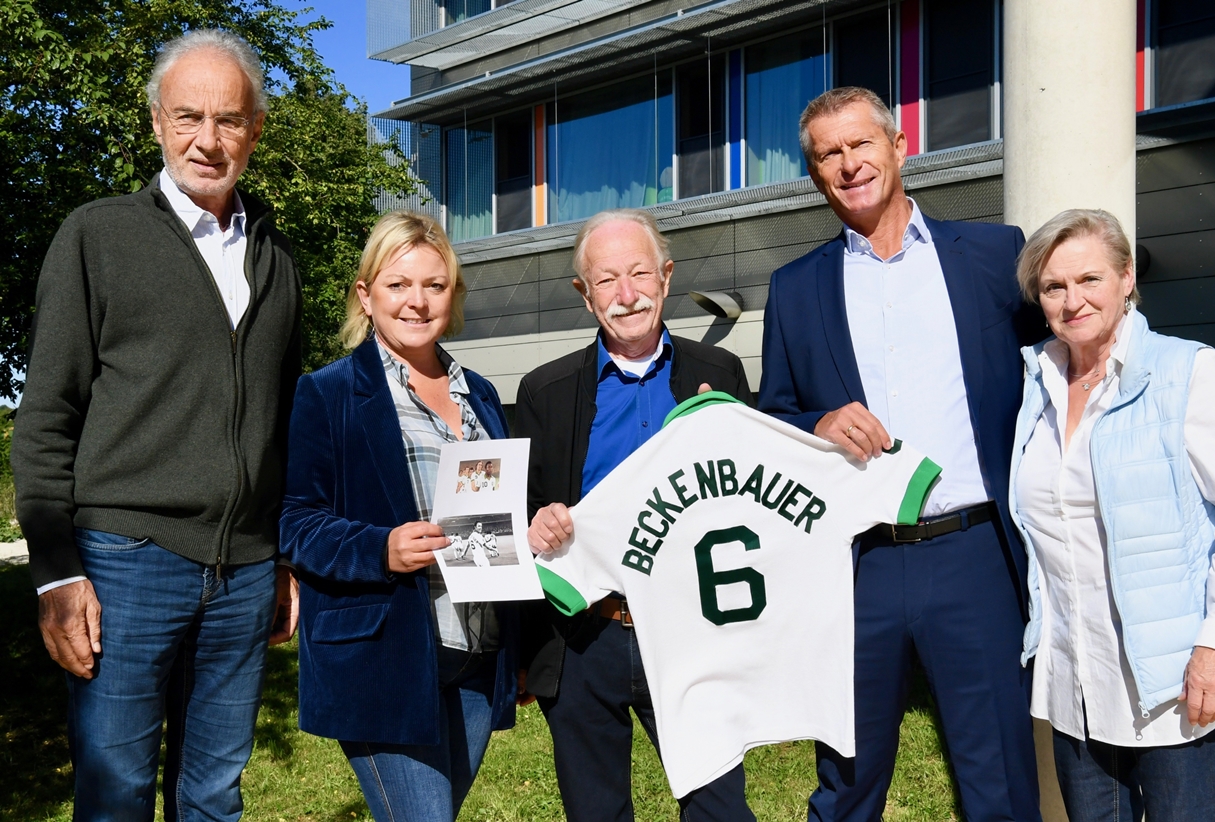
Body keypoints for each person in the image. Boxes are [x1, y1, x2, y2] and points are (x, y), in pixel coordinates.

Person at [11, 29, 300, 821]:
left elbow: (282, 425)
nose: (208, 140)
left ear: (255, 130)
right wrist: (56, 571)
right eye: (188, 117)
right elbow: (45, 418)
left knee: (214, 795)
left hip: (243, 572)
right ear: (155, 123)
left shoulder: (279, 262)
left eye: (229, 119)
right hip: (123, 566)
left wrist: (280, 558)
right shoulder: (97, 237)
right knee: (116, 795)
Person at [756, 86, 1046, 822]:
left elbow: (1063, 360)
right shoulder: (795, 289)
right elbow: (774, 417)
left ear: (897, 147)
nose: (849, 164)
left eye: (860, 144)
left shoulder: (992, 254)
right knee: (848, 781)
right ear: (816, 174)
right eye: (829, 154)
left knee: (999, 782)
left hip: (972, 553)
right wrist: (817, 423)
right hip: (856, 567)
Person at [1008, 208, 1215, 822]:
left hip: (1173, 680)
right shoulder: (1036, 383)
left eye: (1090, 279)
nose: (1073, 300)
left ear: (1127, 278)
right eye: (1054, 287)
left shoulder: (1188, 370)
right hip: (1075, 678)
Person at [515, 208, 757, 822]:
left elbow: (753, 496)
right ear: (583, 293)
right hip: (587, 636)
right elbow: (517, 515)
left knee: (720, 811)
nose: (627, 295)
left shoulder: (719, 374)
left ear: (667, 276)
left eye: (640, 273)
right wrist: (535, 525)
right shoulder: (545, 392)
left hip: (695, 633)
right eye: (606, 280)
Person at [279, 211, 518, 822]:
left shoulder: (481, 394)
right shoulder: (328, 392)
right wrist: (379, 547)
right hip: (381, 656)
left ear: (453, 294)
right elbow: (296, 521)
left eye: (435, 286)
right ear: (366, 294)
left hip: (475, 652)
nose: (417, 302)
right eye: (398, 284)